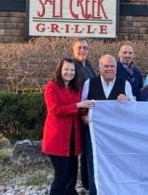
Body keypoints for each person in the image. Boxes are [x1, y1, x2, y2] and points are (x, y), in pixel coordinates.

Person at [81, 54, 134, 194]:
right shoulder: (89, 83)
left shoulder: (125, 84)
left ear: (116, 68)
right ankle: (95, 192)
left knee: (117, 164)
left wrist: (127, 100)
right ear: (100, 67)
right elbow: (82, 106)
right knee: (94, 165)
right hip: (94, 135)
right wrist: (84, 117)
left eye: (112, 66)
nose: (109, 69)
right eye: (106, 66)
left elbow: (134, 110)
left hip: (117, 136)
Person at [42, 58, 94, 195]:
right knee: (61, 176)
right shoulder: (51, 87)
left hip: (73, 137)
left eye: (72, 70)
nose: (69, 72)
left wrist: (85, 114)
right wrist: (78, 106)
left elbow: (80, 108)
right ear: (60, 70)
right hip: (57, 139)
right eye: (66, 69)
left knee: (71, 175)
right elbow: (55, 110)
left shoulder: (76, 87)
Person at [72, 38, 96, 191]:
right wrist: (82, 114)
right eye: (80, 47)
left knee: (88, 150)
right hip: (79, 113)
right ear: (73, 49)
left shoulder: (89, 65)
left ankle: (87, 182)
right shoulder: (72, 66)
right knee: (82, 151)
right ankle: (83, 182)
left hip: (89, 114)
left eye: (85, 47)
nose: (83, 50)